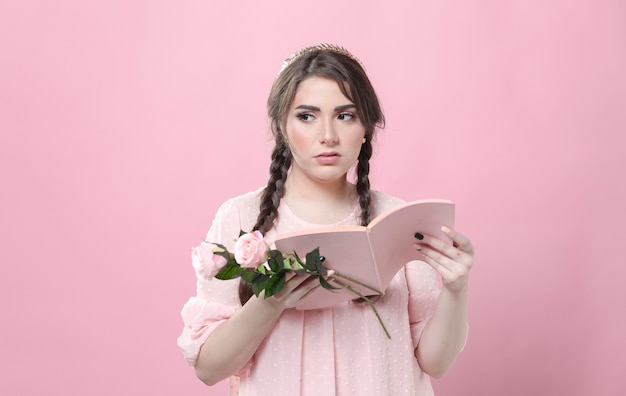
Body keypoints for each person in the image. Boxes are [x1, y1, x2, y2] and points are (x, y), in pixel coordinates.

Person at [177, 44, 475, 396]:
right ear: (281, 126)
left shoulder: (399, 218)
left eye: (345, 116)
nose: (328, 136)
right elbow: (209, 369)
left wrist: (457, 288)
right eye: (307, 116)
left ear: (365, 127)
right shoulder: (240, 217)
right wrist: (271, 301)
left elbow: (435, 363)